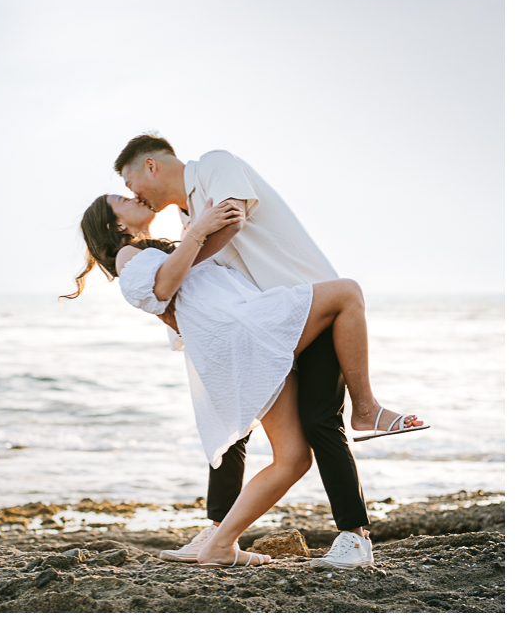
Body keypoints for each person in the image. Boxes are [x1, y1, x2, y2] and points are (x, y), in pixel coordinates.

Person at [71, 136, 428, 570]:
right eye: (123, 197)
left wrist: (193, 241)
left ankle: (280, 537)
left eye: (129, 184)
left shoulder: (214, 169)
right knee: (254, 434)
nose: (134, 195)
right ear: (116, 226)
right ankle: (221, 533)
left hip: (281, 312)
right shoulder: (172, 233)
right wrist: (195, 235)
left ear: (149, 166)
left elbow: (232, 221)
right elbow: (164, 290)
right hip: (256, 323)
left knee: (308, 435)